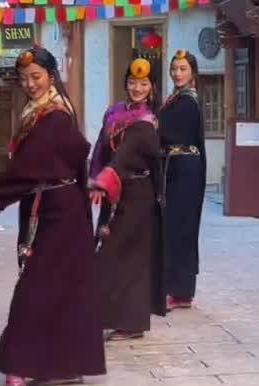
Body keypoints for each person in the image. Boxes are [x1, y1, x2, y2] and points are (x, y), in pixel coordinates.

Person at [0, 47, 105, 386]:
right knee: (56, 289)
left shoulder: (54, 117)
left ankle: (24, 365)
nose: (30, 84)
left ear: (51, 76)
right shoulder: (38, 114)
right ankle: (58, 366)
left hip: (62, 216)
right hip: (54, 209)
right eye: (25, 79)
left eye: (36, 77)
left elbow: (25, 170)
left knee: (37, 288)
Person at [88, 57, 167, 341]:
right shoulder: (113, 112)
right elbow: (101, 148)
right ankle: (115, 317)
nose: (137, 88)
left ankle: (129, 321)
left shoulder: (148, 121)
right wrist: (94, 176)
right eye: (132, 82)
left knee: (124, 256)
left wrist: (105, 179)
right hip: (112, 193)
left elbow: (127, 153)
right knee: (111, 253)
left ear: (152, 87)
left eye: (143, 83)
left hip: (138, 195)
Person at [158, 49, 207, 311]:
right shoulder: (176, 99)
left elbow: (167, 132)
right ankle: (180, 289)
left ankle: (180, 290)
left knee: (181, 228)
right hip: (177, 168)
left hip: (184, 170)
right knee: (176, 228)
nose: (177, 73)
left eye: (183, 69)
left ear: (193, 73)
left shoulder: (187, 101)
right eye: (174, 69)